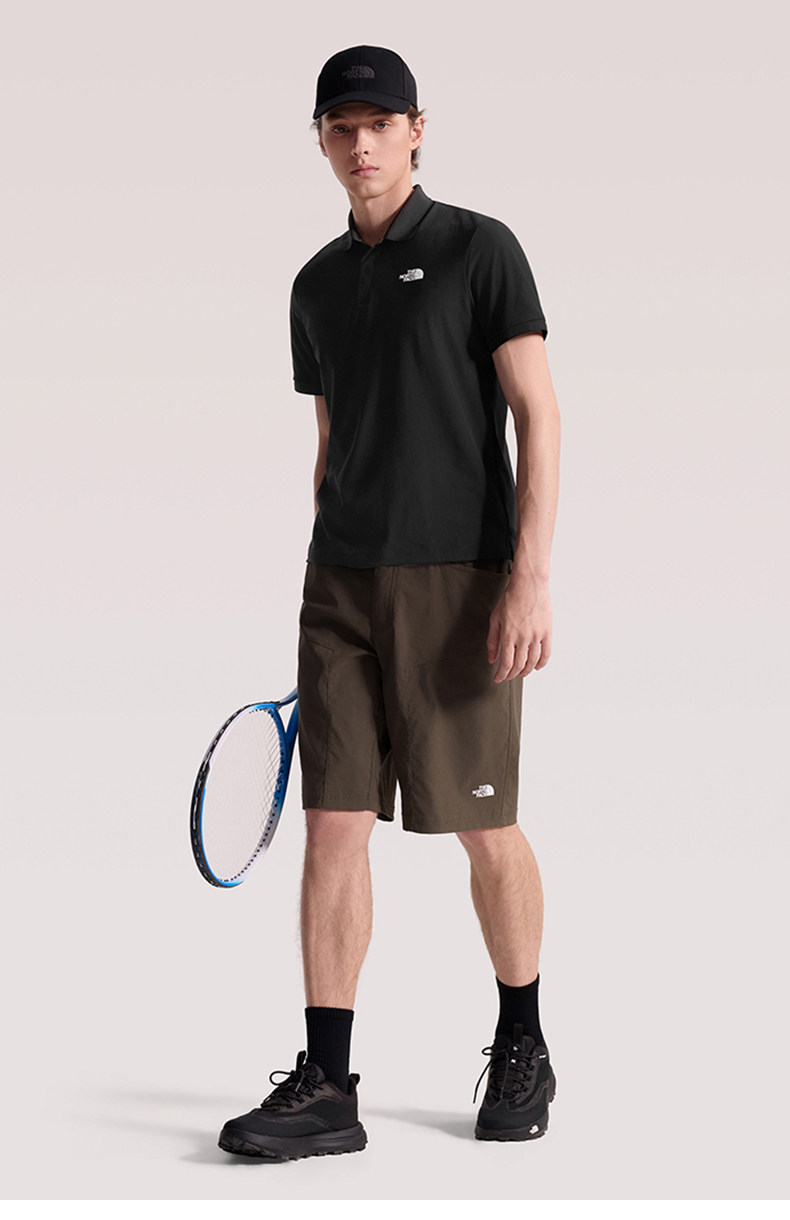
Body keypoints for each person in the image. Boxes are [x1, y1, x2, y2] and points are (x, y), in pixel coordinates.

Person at [219, 44, 561, 1161]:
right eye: (341, 127)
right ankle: (328, 1082)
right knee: (332, 825)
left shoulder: (478, 248)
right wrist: (329, 575)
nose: (361, 144)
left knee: (480, 822)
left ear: (418, 130)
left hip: (459, 581)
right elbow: (330, 444)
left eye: (380, 123)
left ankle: (523, 1040)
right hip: (340, 586)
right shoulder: (314, 285)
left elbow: (538, 415)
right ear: (321, 142)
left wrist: (528, 574)